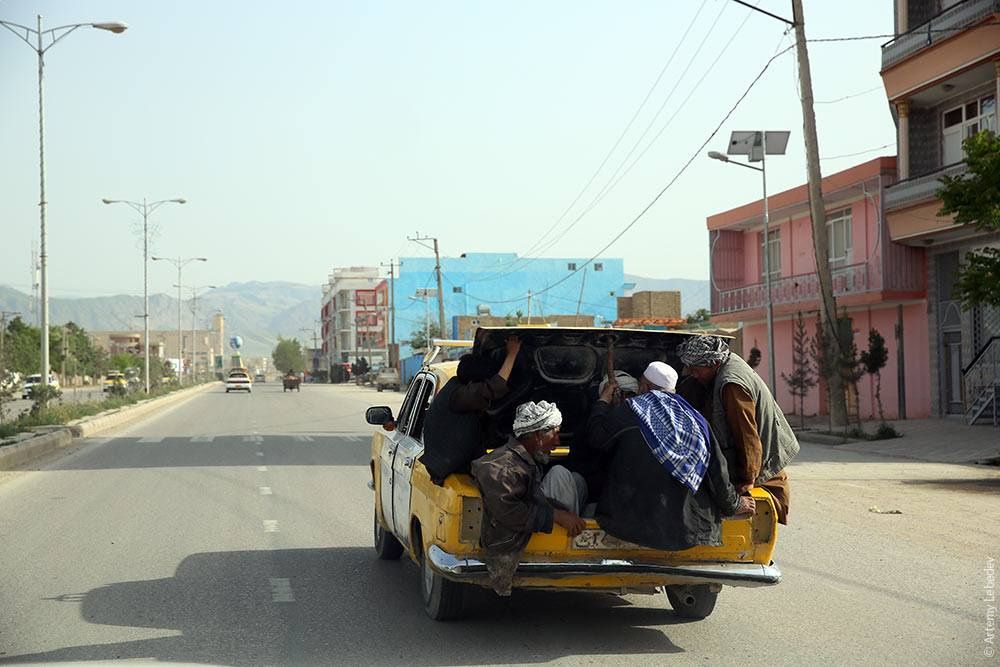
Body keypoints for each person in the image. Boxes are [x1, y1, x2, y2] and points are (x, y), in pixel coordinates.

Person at [585, 363, 754, 550]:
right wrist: (735, 504)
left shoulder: (628, 411)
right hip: (686, 530)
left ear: (645, 387)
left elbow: (595, 439)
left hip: (628, 526)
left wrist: (602, 402)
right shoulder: (696, 420)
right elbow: (716, 472)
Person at [470, 400, 586, 595]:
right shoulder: (504, 468)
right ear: (538, 436)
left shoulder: (525, 459)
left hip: (523, 527)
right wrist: (556, 516)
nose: (558, 441)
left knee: (577, 481)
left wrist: (558, 511)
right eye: (555, 434)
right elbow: (509, 512)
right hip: (507, 543)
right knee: (560, 474)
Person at [677, 335, 797, 524]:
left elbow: (747, 436)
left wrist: (748, 478)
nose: (692, 373)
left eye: (696, 369)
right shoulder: (723, 362)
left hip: (760, 465)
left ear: (714, 363)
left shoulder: (732, 386)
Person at [419, 336, 521, 484]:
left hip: (450, 463)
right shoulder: (460, 395)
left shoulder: (454, 388)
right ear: (474, 382)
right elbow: (495, 387)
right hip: (452, 467)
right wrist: (512, 354)